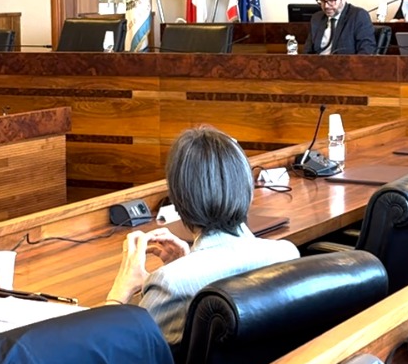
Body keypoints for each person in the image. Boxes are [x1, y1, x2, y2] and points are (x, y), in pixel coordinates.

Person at [105, 126, 299, 345]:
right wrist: (185, 263)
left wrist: (119, 294)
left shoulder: (169, 283)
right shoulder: (286, 255)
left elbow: (115, 351)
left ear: (178, 200)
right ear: (247, 188)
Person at [304, 0, 376, 54]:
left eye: (331, 0)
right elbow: (307, 53)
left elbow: (366, 52)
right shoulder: (317, 18)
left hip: (346, 62)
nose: (326, 6)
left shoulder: (359, 16)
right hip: (317, 62)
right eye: (322, 0)